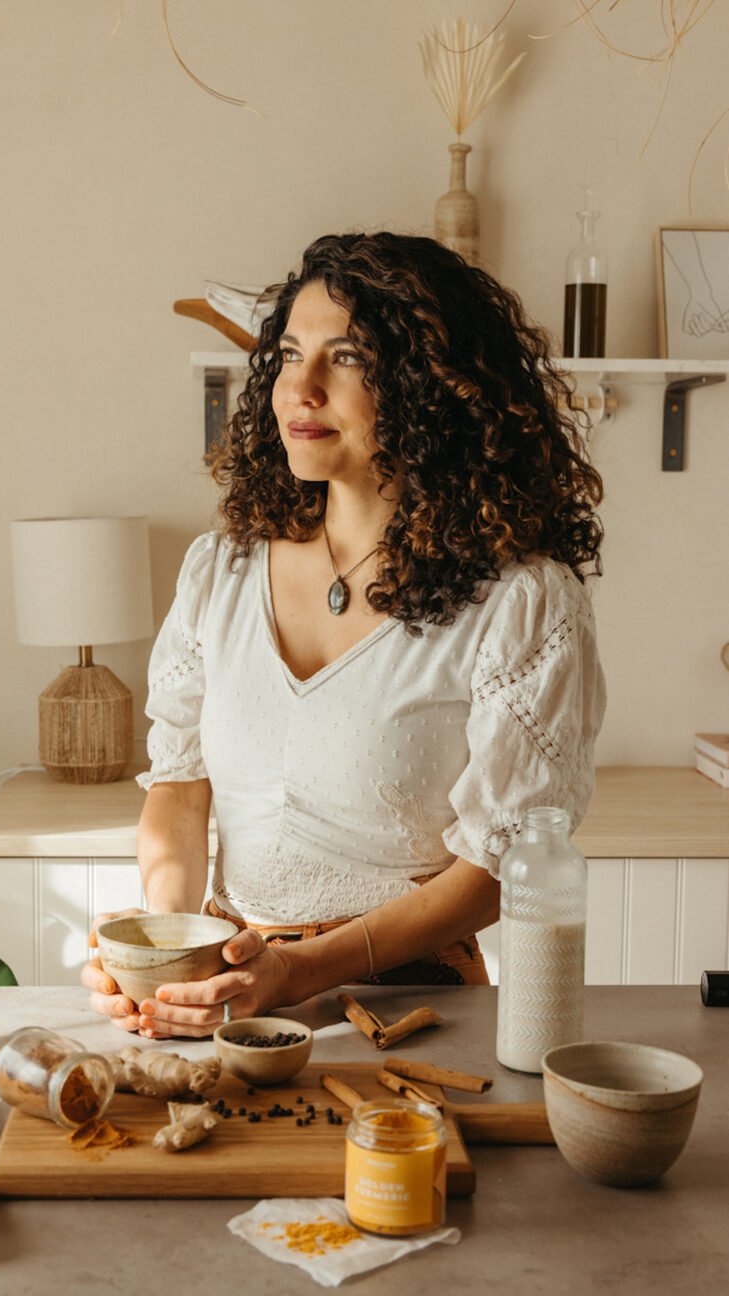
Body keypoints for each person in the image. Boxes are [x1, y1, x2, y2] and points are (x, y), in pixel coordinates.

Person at [82, 231, 606, 1039]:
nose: (302, 388)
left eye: (349, 358)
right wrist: (169, 952)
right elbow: (179, 789)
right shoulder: (218, 569)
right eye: (289, 355)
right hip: (239, 987)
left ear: (434, 387)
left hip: (416, 1003)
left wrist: (299, 971)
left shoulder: (522, 599)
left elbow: (498, 866)